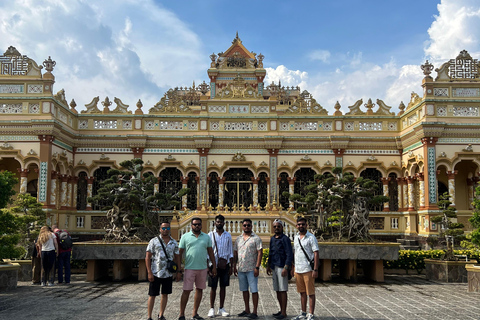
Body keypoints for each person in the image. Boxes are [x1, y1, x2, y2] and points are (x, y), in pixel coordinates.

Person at [178, 217, 217, 320]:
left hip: (202, 268)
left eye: (199, 224)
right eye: (195, 224)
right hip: (189, 268)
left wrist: (214, 266)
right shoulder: (185, 237)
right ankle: (181, 314)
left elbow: (210, 252)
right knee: (186, 290)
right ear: (191, 225)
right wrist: (179, 267)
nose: (197, 226)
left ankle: (195, 313)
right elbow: (180, 252)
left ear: (201, 225)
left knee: (199, 290)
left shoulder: (206, 237)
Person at [146, 222, 181, 320]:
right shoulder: (154, 241)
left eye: (167, 228)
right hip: (155, 272)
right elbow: (148, 257)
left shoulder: (174, 242)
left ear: (169, 229)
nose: (165, 230)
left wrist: (179, 271)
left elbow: (177, 257)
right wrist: (149, 272)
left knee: (165, 294)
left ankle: (161, 315)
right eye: (163, 228)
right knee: (152, 295)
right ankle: (149, 316)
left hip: (168, 273)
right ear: (160, 229)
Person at [234, 218, 263, 320]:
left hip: (251, 268)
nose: (246, 227)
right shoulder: (238, 238)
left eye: (248, 225)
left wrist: (257, 267)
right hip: (241, 268)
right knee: (244, 290)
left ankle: (254, 311)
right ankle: (247, 309)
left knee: (254, 290)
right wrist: (234, 266)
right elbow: (235, 253)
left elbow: (260, 252)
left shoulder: (256, 238)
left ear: (251, 226)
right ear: (242, 226)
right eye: (245, 225)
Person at [291, 218, 319, 320]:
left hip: (308, 269)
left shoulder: (311, 238)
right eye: (299, 224)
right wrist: (293, 266)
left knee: (310, 292)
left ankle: (311, 313)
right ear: (296, 226)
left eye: (303, 224)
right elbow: (295, 252)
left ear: (306, 225)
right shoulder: (296, 237)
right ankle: (303, 312)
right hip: (298, 268)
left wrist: (315, 269)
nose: (301, 226)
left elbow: (316, 253)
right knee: (302, 292)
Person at [266, 219, 293, 320]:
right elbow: (271, 252)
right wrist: (268, 265)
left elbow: (289, 254)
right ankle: (281, 309)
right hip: (274, 265)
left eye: (278, 226)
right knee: (277, 289)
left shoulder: (285, 239)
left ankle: (284, 312)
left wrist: (286, 267)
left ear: (282, 227)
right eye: (275, 227)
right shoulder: (272, 239)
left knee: (283, 290)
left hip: (282, 266)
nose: (276, 228)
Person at [207, 215, 233, 318]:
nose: (219, 223)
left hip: (224, 264)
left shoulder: (228, 235)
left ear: (224, 223)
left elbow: (230, 251)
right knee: (213, 287)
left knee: (223, 286)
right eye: (217, 222)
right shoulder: (210, 235)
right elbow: (207, 251)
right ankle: (212, 308)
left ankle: (221, 308)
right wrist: (207, 266)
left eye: (221, 222)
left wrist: (231, 266)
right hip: (213, 264)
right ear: (214, 223)